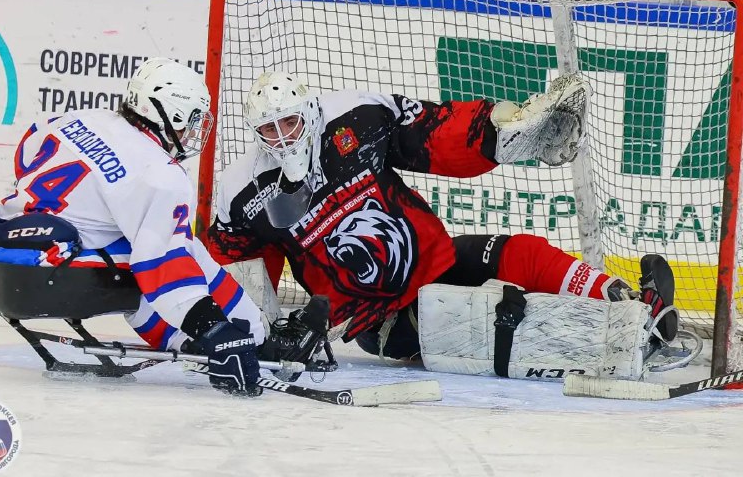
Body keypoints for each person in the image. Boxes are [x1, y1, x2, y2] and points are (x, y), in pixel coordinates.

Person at [206, 71, 680, 366]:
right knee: (492, 315)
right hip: (380, 319)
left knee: (523, 253)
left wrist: (494, 134)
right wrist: (244, 332)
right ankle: (610, 341)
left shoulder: (357, 118)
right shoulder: (242, 192)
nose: (282, 137)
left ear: (308, 111)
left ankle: (632, 305)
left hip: (434, 261)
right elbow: (239, 274)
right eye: (268, 129)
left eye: (288, 122)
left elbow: (431, 132)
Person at [0, 58, 263, 396]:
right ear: (171, 113)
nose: (192, 132)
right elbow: (162, 266)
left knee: (165, 239)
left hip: (3, 251)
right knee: (166, 250)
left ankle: (244, 327)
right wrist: (214, 330)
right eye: (190, 120)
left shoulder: (81, 118)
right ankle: (239, 333)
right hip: (49, 276)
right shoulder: (160, 174)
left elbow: (25, 154)